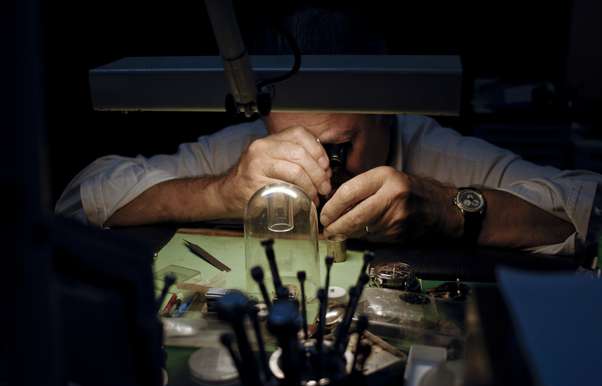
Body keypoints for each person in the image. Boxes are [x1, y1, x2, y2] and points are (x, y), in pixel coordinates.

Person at [55, 7, 602, 256]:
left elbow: (584, 210)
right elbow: (80, 201)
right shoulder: (247, 156)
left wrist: (448, 209)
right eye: (288, 143)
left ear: (385, 114)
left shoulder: (433, 151)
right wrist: (219, 190)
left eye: (336, 148)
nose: (309, 172)